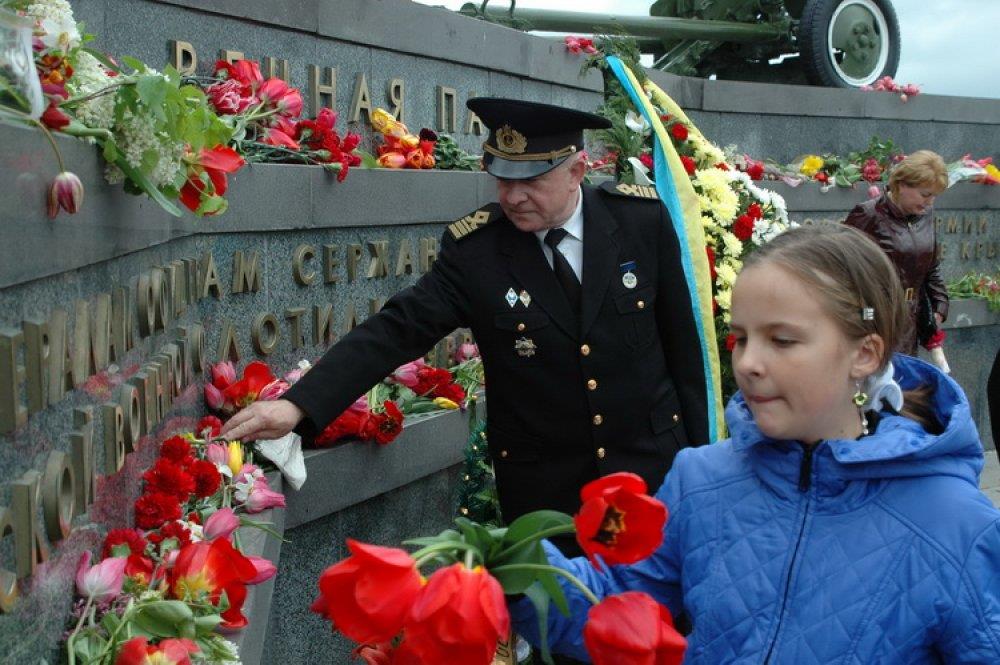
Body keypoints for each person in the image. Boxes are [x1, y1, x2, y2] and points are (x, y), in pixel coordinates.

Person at [221, 97, 710, 542]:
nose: (513, 197)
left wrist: (703, 470)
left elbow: (684, 357)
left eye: (531, 181)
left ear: (577, 171)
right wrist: (299, 405)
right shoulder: (478, 251)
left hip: (650, 477)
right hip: (549, 502)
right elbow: (399, 327)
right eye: (503, 179)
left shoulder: (640, 223)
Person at [512, 224, 1000, 663]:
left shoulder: (955, 523)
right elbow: (615, 602)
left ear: (864, 354)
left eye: (782, 340)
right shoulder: (700, 479)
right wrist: (514, 571)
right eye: (740, 339)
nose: (747, 363)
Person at [844, 149, 950, 355]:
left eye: (934, 196)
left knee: (903, 374)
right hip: (875, 321)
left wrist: (940, 306)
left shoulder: (926, 215)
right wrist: (865, 319)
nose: (930, 202)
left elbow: (931, 266)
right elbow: (844, 270)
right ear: (902, 185)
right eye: (925, 194)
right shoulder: (868, 214)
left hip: (909, 321)